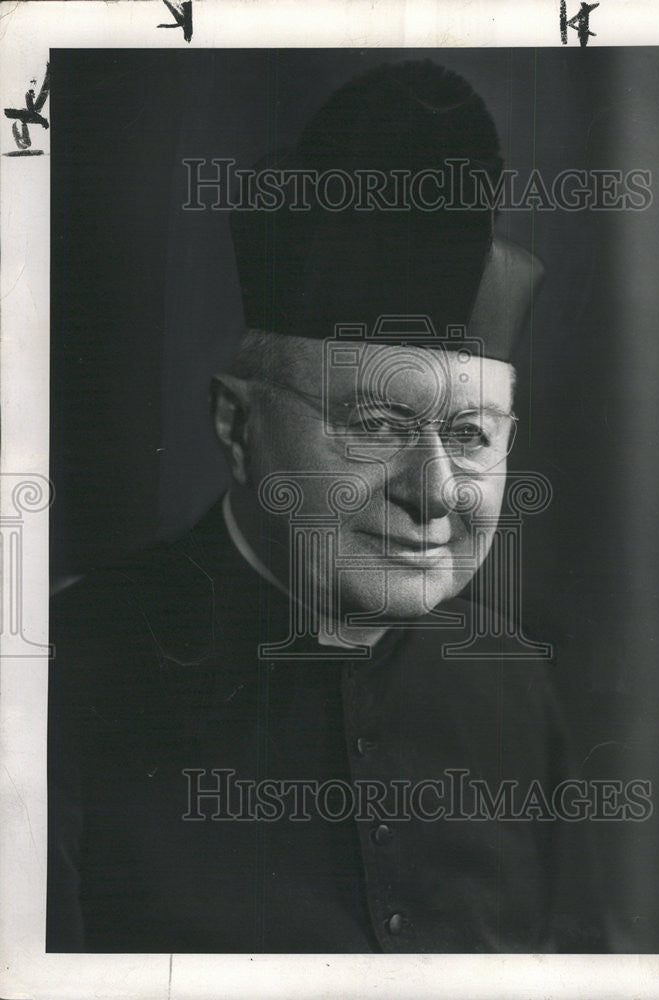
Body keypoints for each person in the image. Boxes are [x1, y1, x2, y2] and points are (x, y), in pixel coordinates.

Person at [47, 60, 606, 953]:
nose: (432, 495)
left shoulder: (515, 691)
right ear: (237, 427)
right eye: (377, 423)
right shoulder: (59, 683)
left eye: (469, 436)